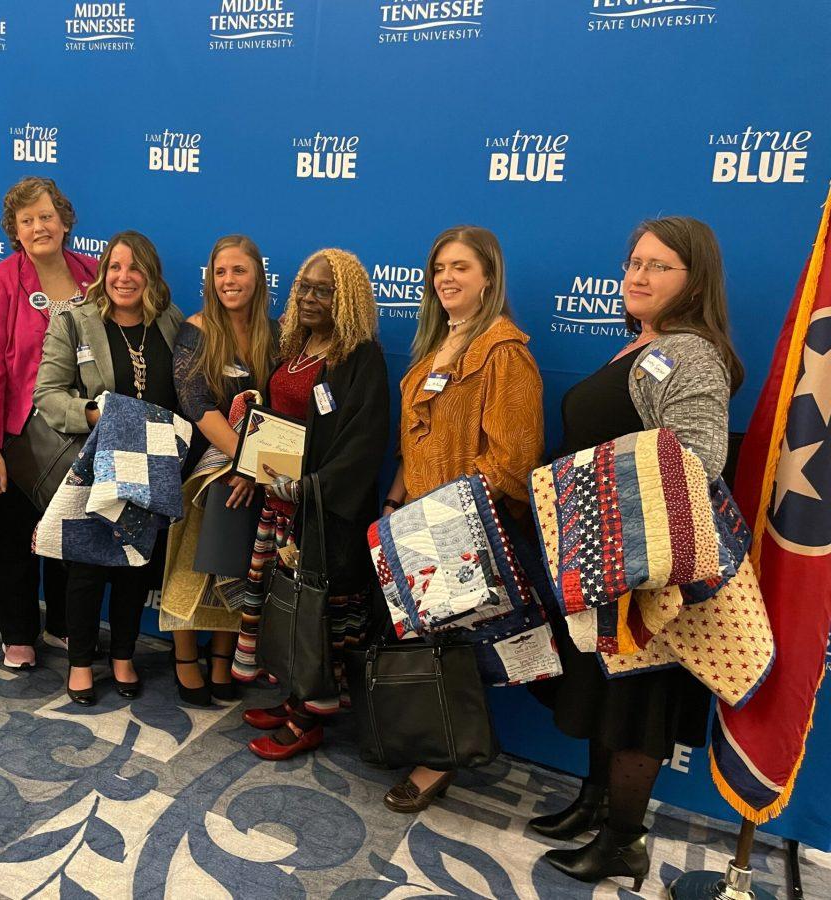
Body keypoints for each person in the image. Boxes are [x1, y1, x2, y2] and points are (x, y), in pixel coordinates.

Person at [532, 216, 743, 890]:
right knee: (606, 687)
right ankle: (596, 806)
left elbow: (700, 458)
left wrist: (599, 478)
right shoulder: (642, 347)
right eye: (634, 262)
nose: (638, 276)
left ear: (695, 280)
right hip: (610, 561)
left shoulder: (692, 352)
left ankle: (624, 838)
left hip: (650, 570)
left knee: (639, 702)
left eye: (659, 266)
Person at [376, 225, 544, 811]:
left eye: (461, 268)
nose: (446, 278)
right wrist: (397, 503)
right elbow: (413, 446)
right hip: (418, 524)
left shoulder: (504, 352)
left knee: (460, 650)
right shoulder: (437, 347)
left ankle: (443, 759)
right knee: (431, 646)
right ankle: (431, 742)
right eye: (439, 267)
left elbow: (513, 460)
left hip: (463, 528)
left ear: (489, 278)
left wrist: (442, 516)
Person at [236, 248, 389, 760]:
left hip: (323, 514)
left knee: (316, 618)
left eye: (323, 290)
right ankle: (293, 696)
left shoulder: (359, 356)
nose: (308, 297)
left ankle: (309, 719)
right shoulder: (295, 346)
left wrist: (310, 488)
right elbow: (287, 419)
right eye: (304, 287)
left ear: (346, 299)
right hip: (279, 506)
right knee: (287, 611)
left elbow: (363, 443)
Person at [33, 231, 184, 705]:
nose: (124, 277)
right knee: (86, 567)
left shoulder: (171, 324)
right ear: (103, 272)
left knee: (135, 566)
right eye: (115, 267)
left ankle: (122, 655)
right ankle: (80, 662)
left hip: (151, 466)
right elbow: (48, 395)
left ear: (150, 275)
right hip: (95, 465)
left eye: (135, 268)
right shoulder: (75, 322)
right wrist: (100, 415)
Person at [0, 178, 96, 670]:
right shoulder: (0, 281)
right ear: (15, 232)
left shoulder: (95, 274)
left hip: (82, 428)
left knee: (71, 531)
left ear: (64, 221)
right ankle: (19, 632)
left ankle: (63, 624)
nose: (38, 227)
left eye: (46, 216)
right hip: (19, 432)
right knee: (14, 538)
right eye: (27, 221)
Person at [164, 235, 279, 705]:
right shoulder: (196, 330)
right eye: (221, 271)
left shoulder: (276, 335)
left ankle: (222, 658)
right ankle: (185, 658)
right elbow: (197, 405)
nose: (229, 280)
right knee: (192, 561)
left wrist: (256, 471)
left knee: (236, 562)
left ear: (258, 277)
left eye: (239, 270)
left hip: (258, 474)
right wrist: (243, 461)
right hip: (201, 467)